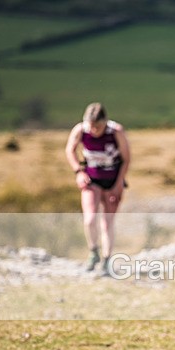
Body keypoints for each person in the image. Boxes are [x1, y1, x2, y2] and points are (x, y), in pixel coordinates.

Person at [65, 102, 130, 274]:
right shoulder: (81, 130)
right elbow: (70, 150)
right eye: (91, 126)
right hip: (91, 179)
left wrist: (118, 184)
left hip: (112, 180)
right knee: (90, 219)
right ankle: (93, 252)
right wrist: (78, 172)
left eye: (98, 126)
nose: (94, 130)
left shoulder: (116, 132)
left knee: (107, 223)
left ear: (105, 122)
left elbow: (126, 159)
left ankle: (107, 260)